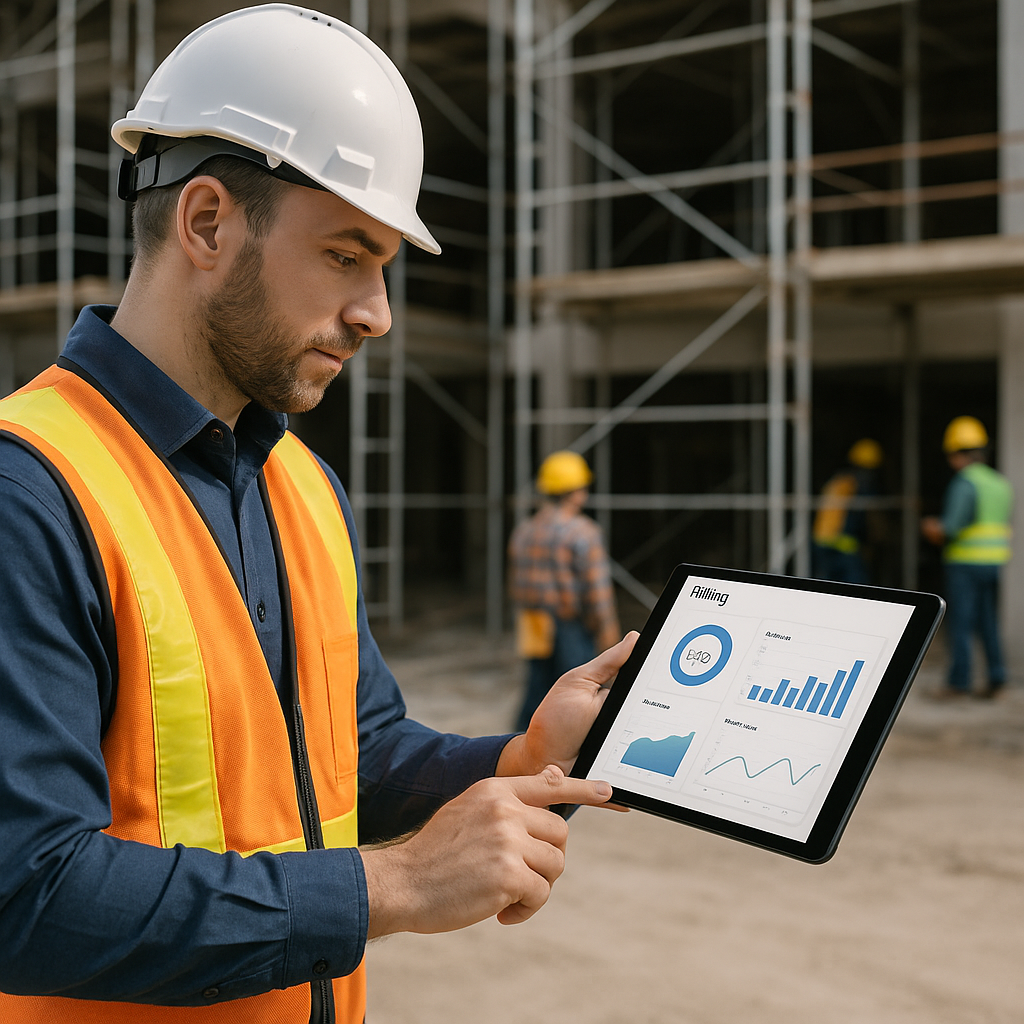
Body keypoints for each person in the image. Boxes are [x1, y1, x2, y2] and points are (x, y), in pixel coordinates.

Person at [0, 9, 636, 1022]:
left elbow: (354, 747)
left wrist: (521, 755)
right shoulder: (28, 490)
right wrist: (395, 884)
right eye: (347, 254)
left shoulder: (301, 484)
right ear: (206, 222)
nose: (378, 311)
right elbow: (22, 892)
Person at [508, 451, 621, 732]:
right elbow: (597, 589)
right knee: (578, 691)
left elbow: (515, 581)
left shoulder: (525, 529)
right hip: (569, 624)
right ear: (577, 492)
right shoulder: (583, 531)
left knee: (537, 687)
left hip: (532, 619)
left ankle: (520, 743)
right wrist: (607, 628)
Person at [921, 416, 1012, 699]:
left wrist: (931, 527)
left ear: (958, 453)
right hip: (993, 563)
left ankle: (959, 682)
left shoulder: (965, 483)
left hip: (965, 563)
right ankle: (997, 675)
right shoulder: (999, 482)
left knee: (960, 623)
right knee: (988, 621)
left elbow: (952, 528)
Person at [812, 438, 883, 585]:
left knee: (826, 589)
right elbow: (863, 519)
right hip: (844, 546)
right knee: (856, 589)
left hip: (822, 543)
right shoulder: (858, 485)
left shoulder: (838, 481)